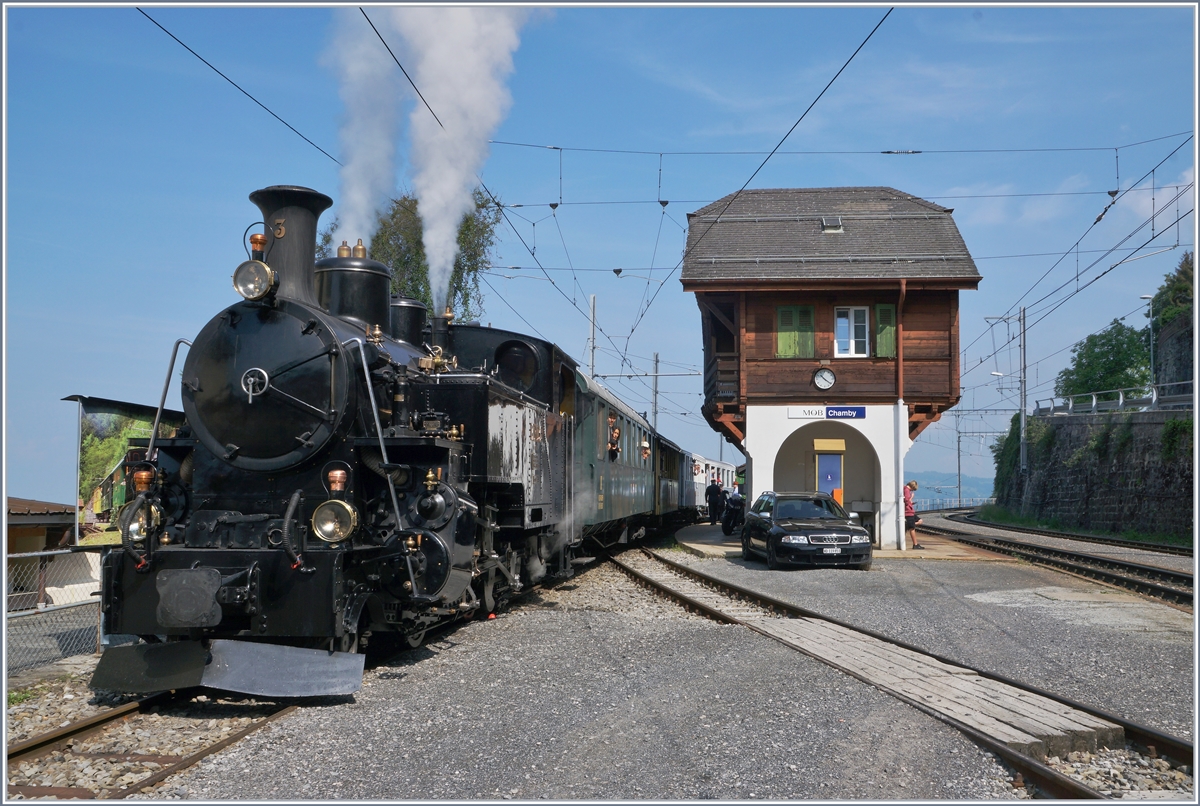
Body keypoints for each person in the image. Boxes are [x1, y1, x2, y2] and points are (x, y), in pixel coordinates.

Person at [904, 480, 924, 549]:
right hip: (908, 512)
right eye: (913, 489)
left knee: (920, 521)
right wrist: (911, 497)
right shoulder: (906, 490)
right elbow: (906, 501)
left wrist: (911, 503)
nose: (912, 491)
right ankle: (915, 544)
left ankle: (908, 525)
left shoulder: (905, 489)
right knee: (912, 528)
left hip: (910, 511)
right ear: (912, 486)